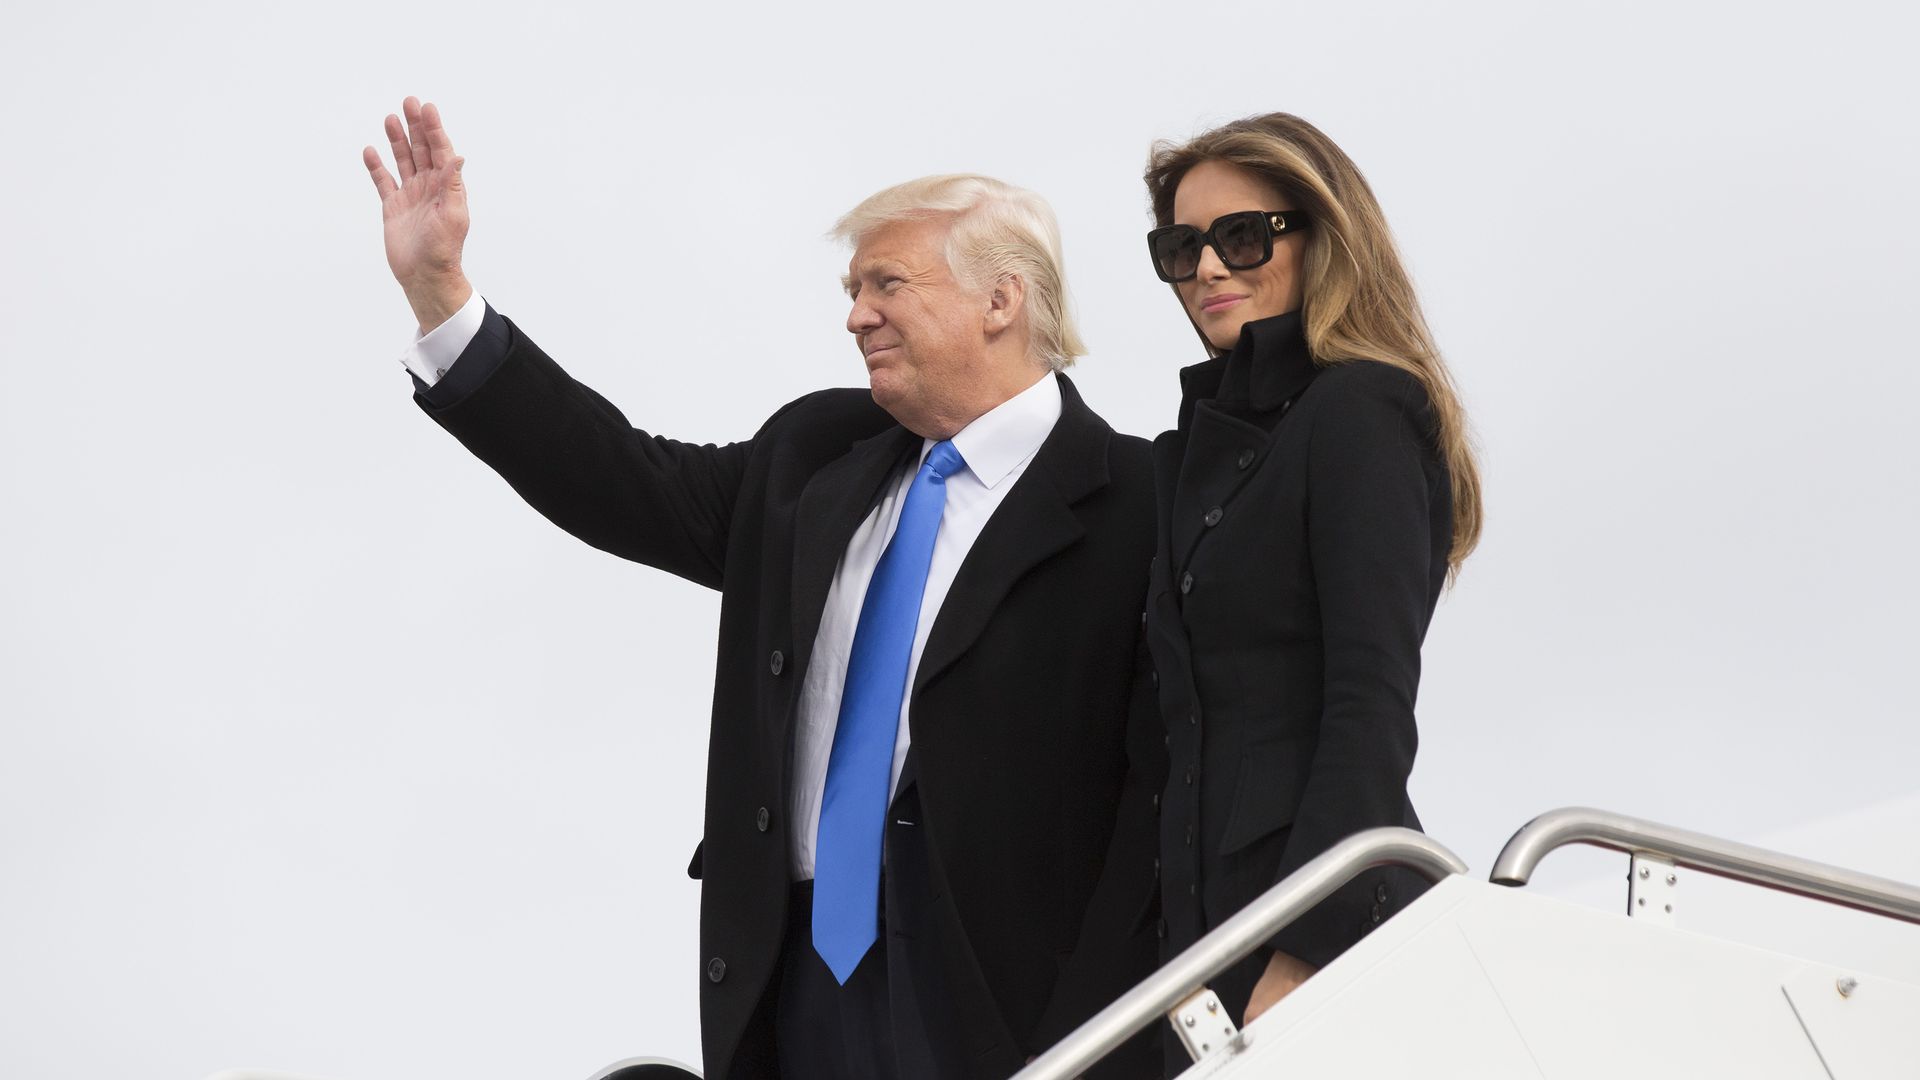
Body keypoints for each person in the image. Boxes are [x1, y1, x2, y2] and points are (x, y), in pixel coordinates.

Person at [360, 98, 1163, 1080]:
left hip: (1010, 1001)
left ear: (1001, 301)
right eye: (852, 289)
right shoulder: (812, 459)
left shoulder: (1142, 504)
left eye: (887, 283)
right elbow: (619, 479)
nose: (856, 314)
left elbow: (1159, 795)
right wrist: (440, 292)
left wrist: (1099, 1034)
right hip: (796, 985)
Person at [1138, 112, 1483, 1048]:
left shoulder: (1360, 410)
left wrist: (1306, 950)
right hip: (1203, 942)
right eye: (1182, 247)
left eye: (1243, 236)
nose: (1209, 267)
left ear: (1321, 238)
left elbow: (1370, 700)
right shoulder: (1190, 457)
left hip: (1319, 934)